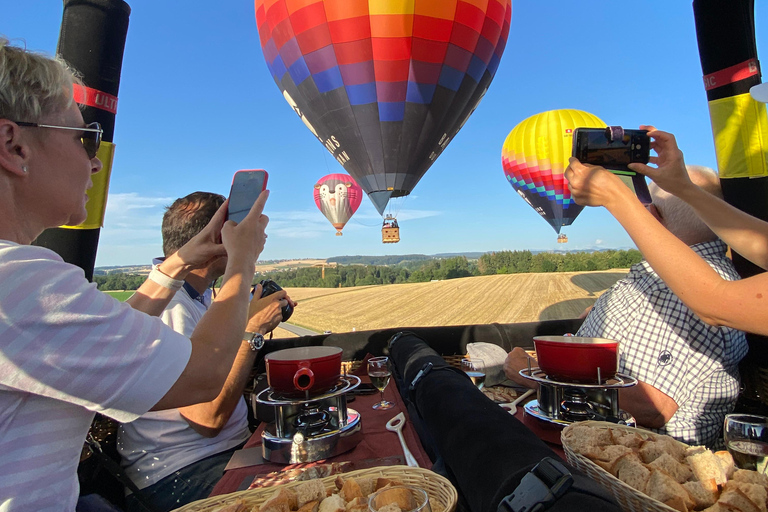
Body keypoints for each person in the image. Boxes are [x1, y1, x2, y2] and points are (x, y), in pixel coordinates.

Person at [0, 38, 268, 510]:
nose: (96, 159)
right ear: (13, 145)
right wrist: (241, 261)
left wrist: (178, 263)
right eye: (84, 138)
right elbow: (205, 377)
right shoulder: (20, 283)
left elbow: (97, 337)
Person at [504, 166, 748, 446]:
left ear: (654, 216)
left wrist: (536, 375)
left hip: (619, 457)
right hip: (591, 436)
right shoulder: (674, 279)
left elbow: (652, 407)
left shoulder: (680, 292)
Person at [118, 192, 295, 511]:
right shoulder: (172, 308)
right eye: (241, 229)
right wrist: (251, 330)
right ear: (219, 237)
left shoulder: (197, 300)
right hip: (179, 475)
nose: (259, 237)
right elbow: (206, 418)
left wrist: (247, 315)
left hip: (219, 456)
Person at [564, 126, 768, 337]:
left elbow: (718, 305)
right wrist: (682, 187)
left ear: (654, 214)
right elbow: (762, 244)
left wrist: (616, 197)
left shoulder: (656, 293)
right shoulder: (727, 269)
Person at [387, 332, 623, 512]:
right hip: (548, 452)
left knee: (450, 402)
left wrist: (532, 373)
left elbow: (657, 408)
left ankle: (404, 343)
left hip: (556, 485)